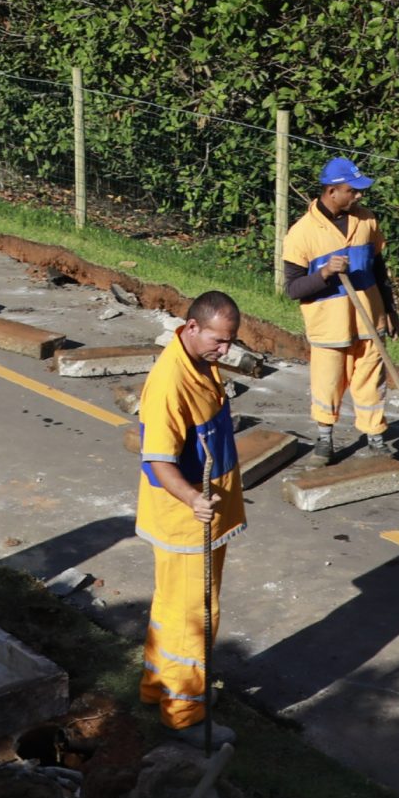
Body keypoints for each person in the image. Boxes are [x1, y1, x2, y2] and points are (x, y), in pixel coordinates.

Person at [136, 290, 247, 747]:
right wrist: (191, 499)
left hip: (198, 513)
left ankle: (155, 686)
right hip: (187, 519)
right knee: (194, 617)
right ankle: (183, 713)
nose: (225, 350)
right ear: (191, 326)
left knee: (169, 607)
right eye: (218, 341)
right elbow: (157, 460)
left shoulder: (200, 358)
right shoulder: (170, 383)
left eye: (230, 341)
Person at [281, 157, 399, 461]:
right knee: (328, 381)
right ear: (332, 191)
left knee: (371, 381)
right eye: (353, 190)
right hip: (329, 326)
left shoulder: (367, 221)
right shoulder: (302, 233)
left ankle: (375, 437)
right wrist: (323, 274)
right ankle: (324, 439)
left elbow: (379, 269)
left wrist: (390, 310)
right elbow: (293, 289)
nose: (359, 196)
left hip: (370, 321)